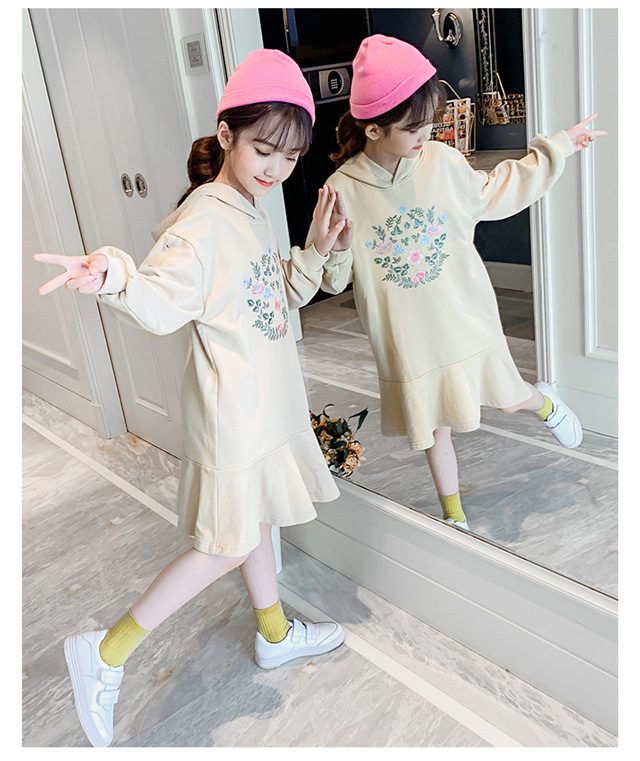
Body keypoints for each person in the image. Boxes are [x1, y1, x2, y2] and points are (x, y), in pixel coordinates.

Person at [34, 49, 348, 748]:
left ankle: (274, 634)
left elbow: (275, 300)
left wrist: (316, 247)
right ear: (227, 133)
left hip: (261, 407)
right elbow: (157, 300)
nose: (275, 168)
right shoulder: (204, 222)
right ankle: (105, 651)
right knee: (225, 544)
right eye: (263, 149)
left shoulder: (249, 209)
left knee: (253, 523)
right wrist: (113, 273)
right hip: (233, 418)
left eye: (290, 157)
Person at [311, 34, 607, 531]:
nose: (426, 133)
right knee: (433, 429)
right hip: (407, 339)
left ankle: (545, 402)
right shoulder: (341, 191)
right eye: (413, 127)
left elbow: (499, 190)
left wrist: (558, 148)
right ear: (374, 127)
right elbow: (333, 277)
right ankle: (455, 515)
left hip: (463, 317)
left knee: (507, 398)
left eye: (430, 121)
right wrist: (336, 248)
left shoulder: (441, 163)